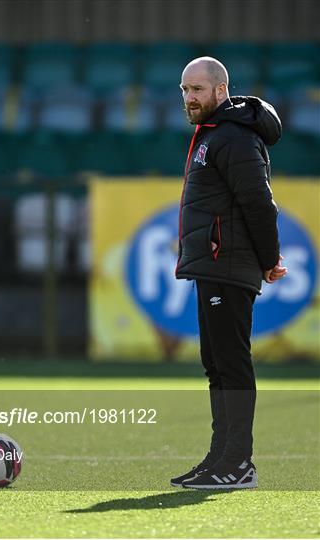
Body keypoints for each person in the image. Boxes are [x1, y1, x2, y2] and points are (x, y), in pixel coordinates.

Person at [170, 57, 287, 489]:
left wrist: (269, 258)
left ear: (221, 91)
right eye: (184, 90)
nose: (189, 98)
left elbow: (259, 202)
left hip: (229, 262)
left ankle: (238, 463)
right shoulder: (214, 134)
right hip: (214, 264)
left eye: (197, 89)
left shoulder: (234, 137)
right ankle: (220, 458)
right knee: (216, 364)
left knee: (231, 364)